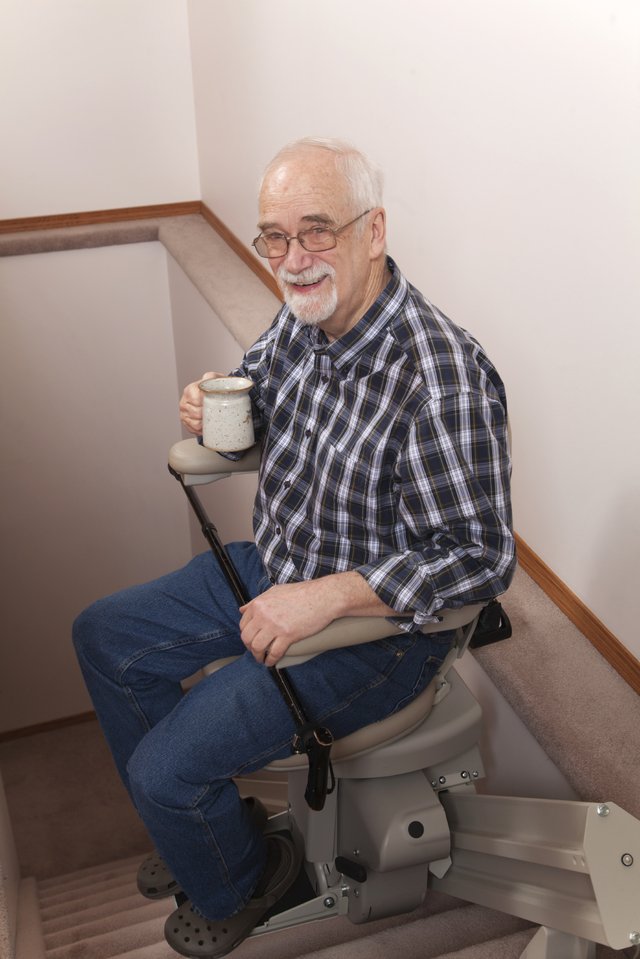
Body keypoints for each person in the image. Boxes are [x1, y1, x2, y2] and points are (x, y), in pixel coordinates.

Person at [73, 137, 516, 957]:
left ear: (373, 230)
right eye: (274, 235)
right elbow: (261, 394)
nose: (293, 257)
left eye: (316, 230)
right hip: (277, 565)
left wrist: (333, 594)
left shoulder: (440, 375)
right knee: (103, 635)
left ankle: (236, 881)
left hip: (377, 637)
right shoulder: (306, 317)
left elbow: (482, 555)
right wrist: (213, 402)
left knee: (164, 771)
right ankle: (205, 834)